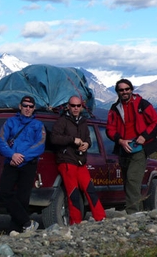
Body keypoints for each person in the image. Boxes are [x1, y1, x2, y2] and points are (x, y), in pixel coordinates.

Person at [106, 79, 157, 214]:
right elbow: (110, 129)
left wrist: (144, 136)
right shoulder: (115, 108)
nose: (124, 92)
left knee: (132, 179)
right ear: (117, 92)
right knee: (128, 181)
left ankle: (133, 213)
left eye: (127, 89)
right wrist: (120, 140)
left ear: (131, 89)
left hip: (139, 148)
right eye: (121, 90)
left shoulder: (142, 104)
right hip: (123, 148)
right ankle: (139, 210)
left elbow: (156, 123)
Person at [50, 95, 106, 225]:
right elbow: (54, 138)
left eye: (78, 106)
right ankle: (75, 221)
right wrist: (72, 140)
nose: (75, 108)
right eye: (73, 105)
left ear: (81, 107)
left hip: (81, 161)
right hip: (67, 161)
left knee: (90, 190)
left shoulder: (82, 121)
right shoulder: (62, 121)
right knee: (73, 192)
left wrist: (87, 144)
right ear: (68, 106)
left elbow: (88, 138)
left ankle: (101, 217)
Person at [0, 95, 46, 233]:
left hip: (28, 164)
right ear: (20, 106)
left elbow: (40, 145)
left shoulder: (38, 125)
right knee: (5, 192)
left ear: (34, 108)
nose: (27, 109)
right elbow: (0, 140)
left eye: (30, 106)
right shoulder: (10, 122)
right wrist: (12, 155)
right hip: (11, 162)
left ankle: (15, 230)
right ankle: (26, 222)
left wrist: (22, 157)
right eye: (25, 106)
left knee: (23, 197)